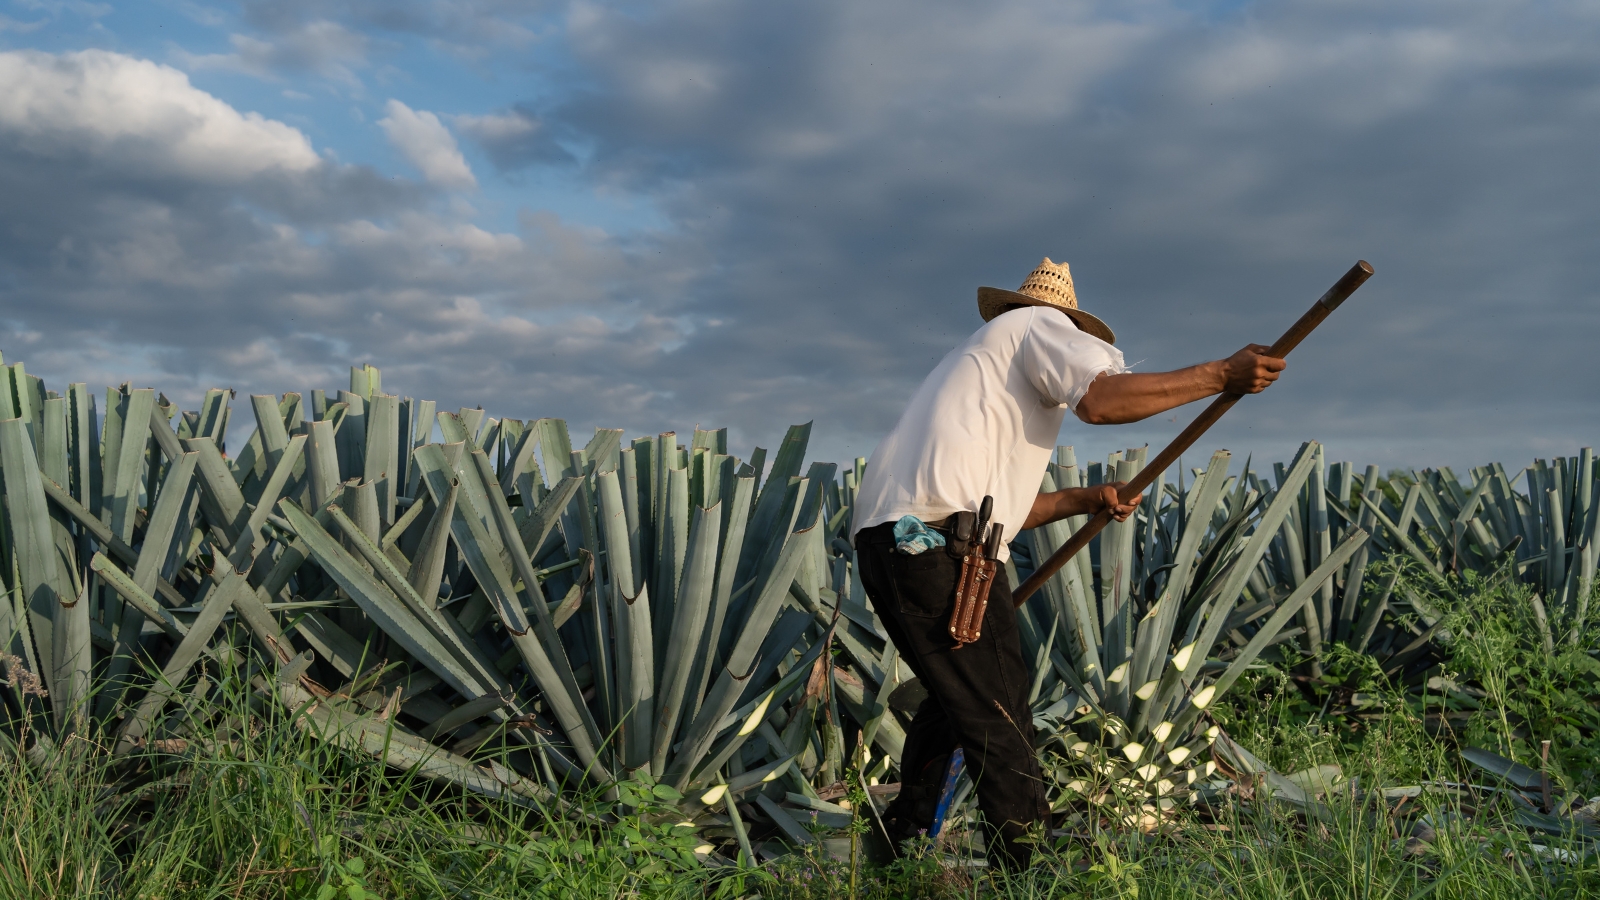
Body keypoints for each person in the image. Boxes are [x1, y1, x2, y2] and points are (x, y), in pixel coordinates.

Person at [851, 257, 1286, 867]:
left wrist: (1085, 500)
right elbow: (1101, 402)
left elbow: (998, 507)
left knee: (959, 701)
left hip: (895, 546)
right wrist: (1221, 374)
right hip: (944, 548)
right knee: (1000, 714)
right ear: (1064, 325)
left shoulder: (975, 371)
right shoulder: (1038, 326)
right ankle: (1030, 869)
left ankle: (898, 853)